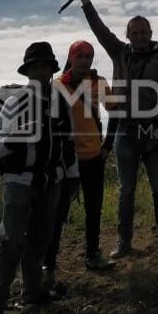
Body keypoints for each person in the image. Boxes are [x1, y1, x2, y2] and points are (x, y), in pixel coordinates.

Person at [77, 0, 158, 258]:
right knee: (126, 190)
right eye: (134, 32)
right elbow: (100, 32)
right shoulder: (119, 52)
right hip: (124, 132)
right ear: (128, 35)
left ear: (150, 34)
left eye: (143, 32)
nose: (138, 36)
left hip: (152, 132)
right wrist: (86, 3)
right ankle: (123, 241)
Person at [0, 42, 78, 314]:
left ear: (51, 69)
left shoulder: (62, 102)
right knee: (10, 242)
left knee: (39, 240)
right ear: (27, 71)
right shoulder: (15, 103)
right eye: (34, 66)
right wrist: (15, 138)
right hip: (19, 182)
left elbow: (67, 143)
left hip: (51, 182)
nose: (40, 71)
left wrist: (72, 176)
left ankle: (32, 293)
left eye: (44, 66)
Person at [44, 40, 116, 277]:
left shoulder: (98, 83)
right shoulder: (58, 85)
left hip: (94, 156)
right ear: (71, 57)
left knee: (93, 208)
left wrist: (107, 146)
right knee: (58, 211)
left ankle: (92, 255)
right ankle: (49, 263)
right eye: (80, 56)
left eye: (88, 56)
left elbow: (115, 113)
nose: (84, 60)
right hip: (67, 160)